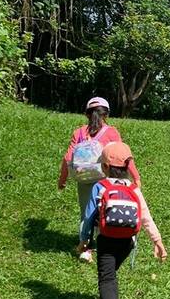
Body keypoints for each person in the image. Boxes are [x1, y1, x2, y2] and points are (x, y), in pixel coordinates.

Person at [76, 142, 167, 299]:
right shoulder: (134, 188)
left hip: (107, 240)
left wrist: (84, 241)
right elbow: (145, 216)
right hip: (128, 242)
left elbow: (88, 217)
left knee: (106, 278)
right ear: (127, 167)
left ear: (105, 167)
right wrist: (157, 241)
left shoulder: (99, 187)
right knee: (110, 275)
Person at [58, 97, 142, 263]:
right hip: (106, 180)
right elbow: (122, 155)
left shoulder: (79, 132)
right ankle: (109, 242)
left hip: (84, 179)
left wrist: (63, 179)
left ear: (87, 114)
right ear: (106, 114)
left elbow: (67, 158)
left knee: (87, 213)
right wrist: (136, 178)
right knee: (106, 209)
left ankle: (86, 249)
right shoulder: (111, 132)